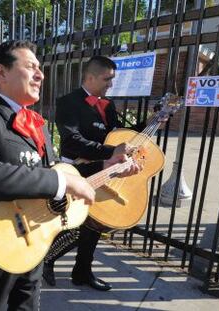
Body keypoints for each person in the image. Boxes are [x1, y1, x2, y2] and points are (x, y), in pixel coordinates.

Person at [0, 40, 139, 310]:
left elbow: (50, 175)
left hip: (34, 240)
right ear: (1, 73)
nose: (40, 74)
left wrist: (108, 165)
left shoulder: (36, 123)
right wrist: (62, 182)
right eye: (30, 67)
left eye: (40, 68)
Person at [42, 55, 145, 291]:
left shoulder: (106, 106)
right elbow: (72, 140)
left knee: (95, 225)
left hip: (103, 168)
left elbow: (118, 136)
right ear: (90, 77)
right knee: (76, 222)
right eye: (107, 79)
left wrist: (151, 121)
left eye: (112, 79)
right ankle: (46, 258)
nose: (111, 84)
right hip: (77, 171)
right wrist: (110, 152)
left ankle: (81, 272)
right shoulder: (68, 102)